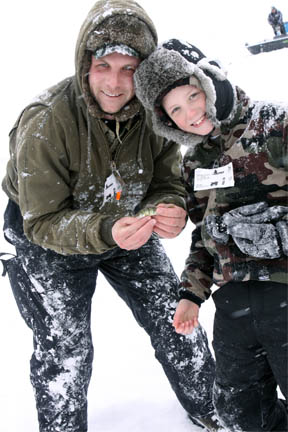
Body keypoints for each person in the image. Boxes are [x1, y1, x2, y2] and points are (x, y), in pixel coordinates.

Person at [0, 2, 221, 432]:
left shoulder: (155, 111)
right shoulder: (45, 122)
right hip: (50, 237)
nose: (116, 83)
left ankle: (212, 408)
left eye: (129, 68)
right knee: (65, 349)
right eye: (103, 66)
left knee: (177, 318)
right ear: (85, 65)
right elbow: (41, 220)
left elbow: (166, 179)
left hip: (128, 225)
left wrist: (167, 206)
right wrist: (105, 229)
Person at [134, 38, 288, 431]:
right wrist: (191, 295)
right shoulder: (195, 163)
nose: (190, 113)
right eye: (175, 111)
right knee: (242, 416)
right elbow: (204, 235)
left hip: (285, 292)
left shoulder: (274, 122)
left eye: (192, 96)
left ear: (207, 81)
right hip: (235, 307)